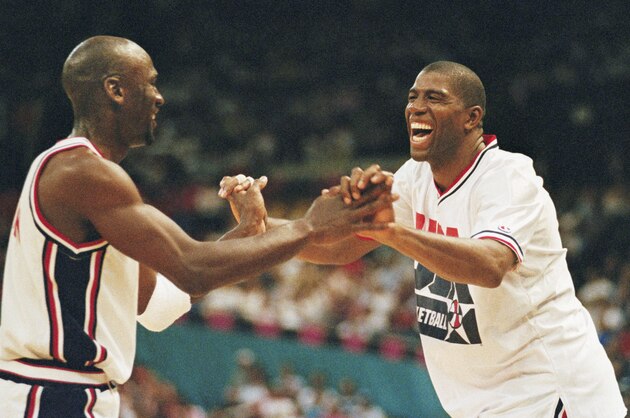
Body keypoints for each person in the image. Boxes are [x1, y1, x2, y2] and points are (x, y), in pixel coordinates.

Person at [0, 36, 394, 418]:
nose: (160, 97)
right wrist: (310, 227)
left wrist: (249, 230)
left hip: (66, 393)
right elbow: (193, 267)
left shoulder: (83, 179)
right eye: (151, 82)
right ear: (115, 90)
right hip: (51, 393)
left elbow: (160, 307)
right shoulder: (84, 173)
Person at [225, 61, 626, 416]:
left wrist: (392, 232)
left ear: (472, 118)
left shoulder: (507, 176)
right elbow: (339, 246)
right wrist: (262, 226)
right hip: (483, 402)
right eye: (413, 97)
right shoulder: (414, 179)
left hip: (553, 394)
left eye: (435, 98)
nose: (416, 106)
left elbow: (489, 266)